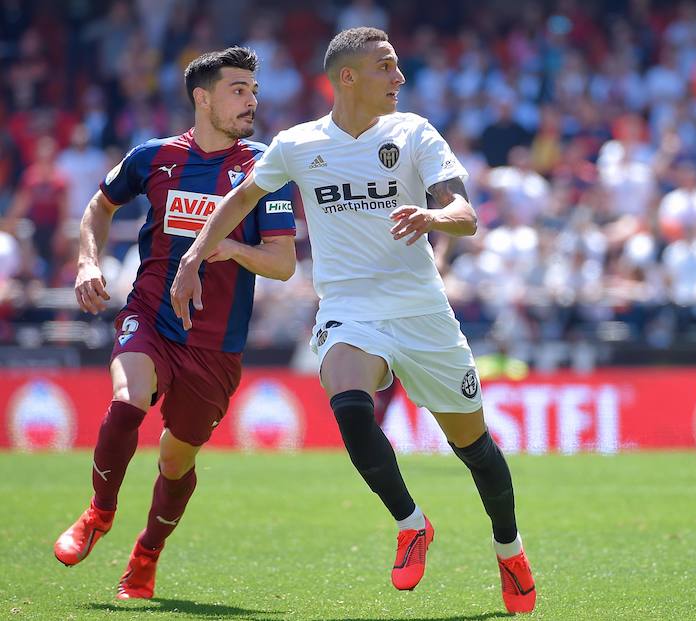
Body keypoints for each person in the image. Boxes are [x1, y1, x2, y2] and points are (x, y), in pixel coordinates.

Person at [171, 28, 536, 614]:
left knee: (475, 449)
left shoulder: (414, 133)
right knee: (349, 405)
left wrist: (433, 215)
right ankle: (412, 522)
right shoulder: (297, 144)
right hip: (349, 311)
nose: (399, 78)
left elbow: (466, 214)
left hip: (422, 313)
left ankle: (510, 550)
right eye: (386, 67)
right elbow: (238, 201)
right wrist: (192, 256)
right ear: (348, 77)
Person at [53, 47, 297, 599]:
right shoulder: (153, 157)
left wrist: (228, 246)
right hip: (151, 315)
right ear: (202, 97)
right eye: (238, 89)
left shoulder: (266, 168)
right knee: (127, 400)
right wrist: (88, 261)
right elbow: (98, 207)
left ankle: (146, 555)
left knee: (174, 457)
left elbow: (282, 263)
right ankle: (99, 512)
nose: (251, 100)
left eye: (254, 91)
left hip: (216, 344)